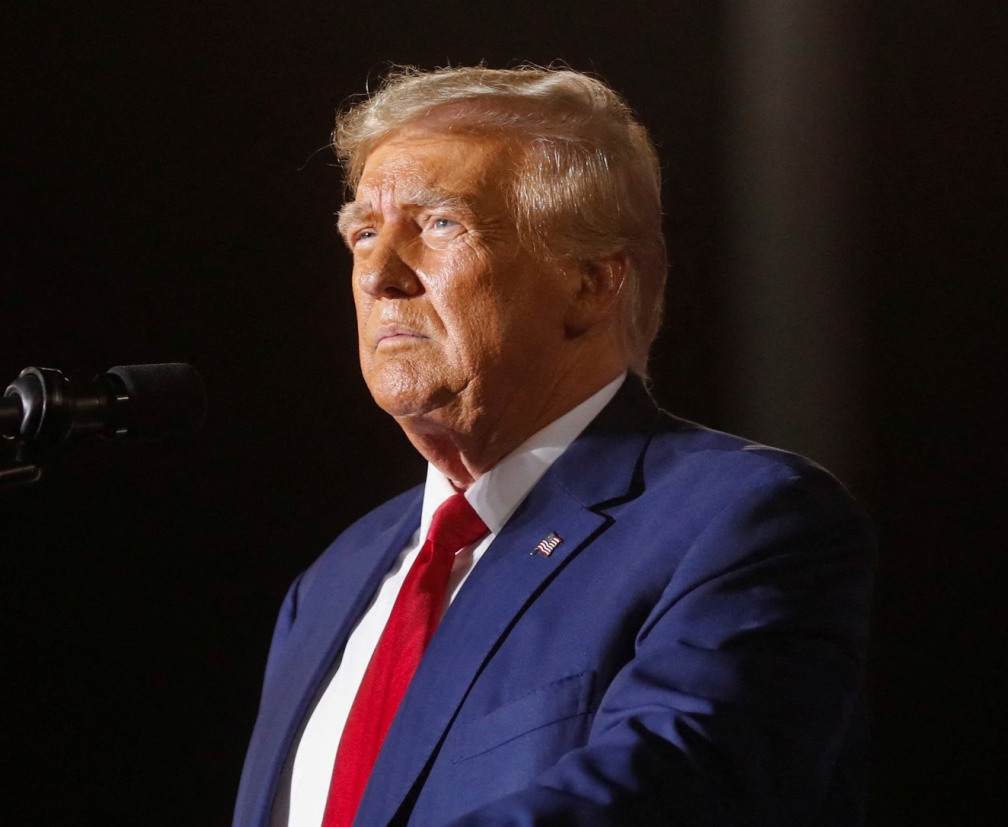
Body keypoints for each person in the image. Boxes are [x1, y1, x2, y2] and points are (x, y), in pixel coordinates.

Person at [233, 65, 874, 827]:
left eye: (439, 224)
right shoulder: (333, 581)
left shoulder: (739, 521)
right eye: (364, 233)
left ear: (590, 282)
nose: (377, 274)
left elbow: (668, 793)